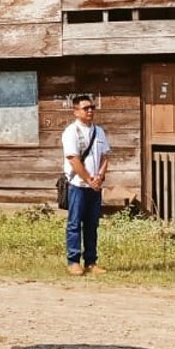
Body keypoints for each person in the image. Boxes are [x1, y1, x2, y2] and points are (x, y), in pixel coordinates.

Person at [61, 94, 111, 276]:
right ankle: (73, 261)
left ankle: (91, 261)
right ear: (75, 111)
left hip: (95, 186)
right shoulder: (71, 132)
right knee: (74, 223)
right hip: (77, 185)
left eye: (92, 107)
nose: (90, 111)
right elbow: (73, 159)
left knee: (92, 224)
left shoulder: (99, 132)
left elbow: (105, 156)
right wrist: (89, 179)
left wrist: (100, 176)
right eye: (85, 108)